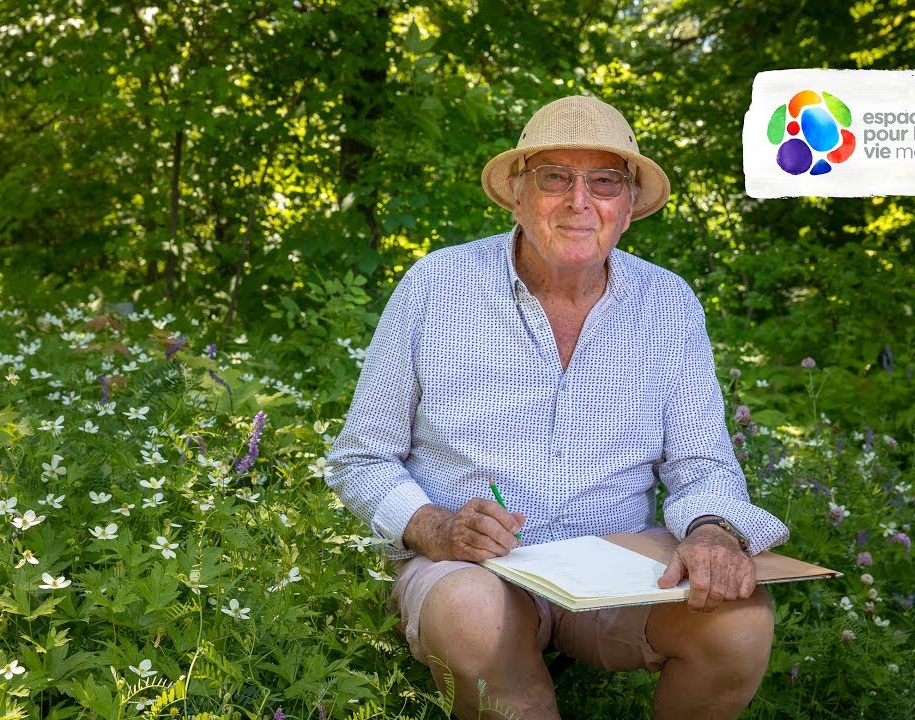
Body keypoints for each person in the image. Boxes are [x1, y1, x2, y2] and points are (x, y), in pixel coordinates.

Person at [326, 95, 791, 719]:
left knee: (740, 623)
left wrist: (712, 531)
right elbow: (361, 458)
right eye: (555, 178)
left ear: (627, 208)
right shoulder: (436, 287)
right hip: (470, 568)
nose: (579, 202)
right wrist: (434, 527)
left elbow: (701, 462)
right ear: (517, 193)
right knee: (473, 617)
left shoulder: (668, 304)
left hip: (614, 568)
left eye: (604, 182)